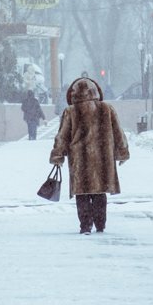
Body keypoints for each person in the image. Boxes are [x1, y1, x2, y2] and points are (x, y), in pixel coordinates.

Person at [49, 77, 129, 234]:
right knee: (100, 192)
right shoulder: (107, 109)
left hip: (80, 161)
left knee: (82, 193)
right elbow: (118, 132)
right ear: (96, 91)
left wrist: (58, 156)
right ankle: (100, 224)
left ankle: (85, 225)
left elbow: (62, 136)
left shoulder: (70, 112)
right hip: (103, 160)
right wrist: (122, 152)